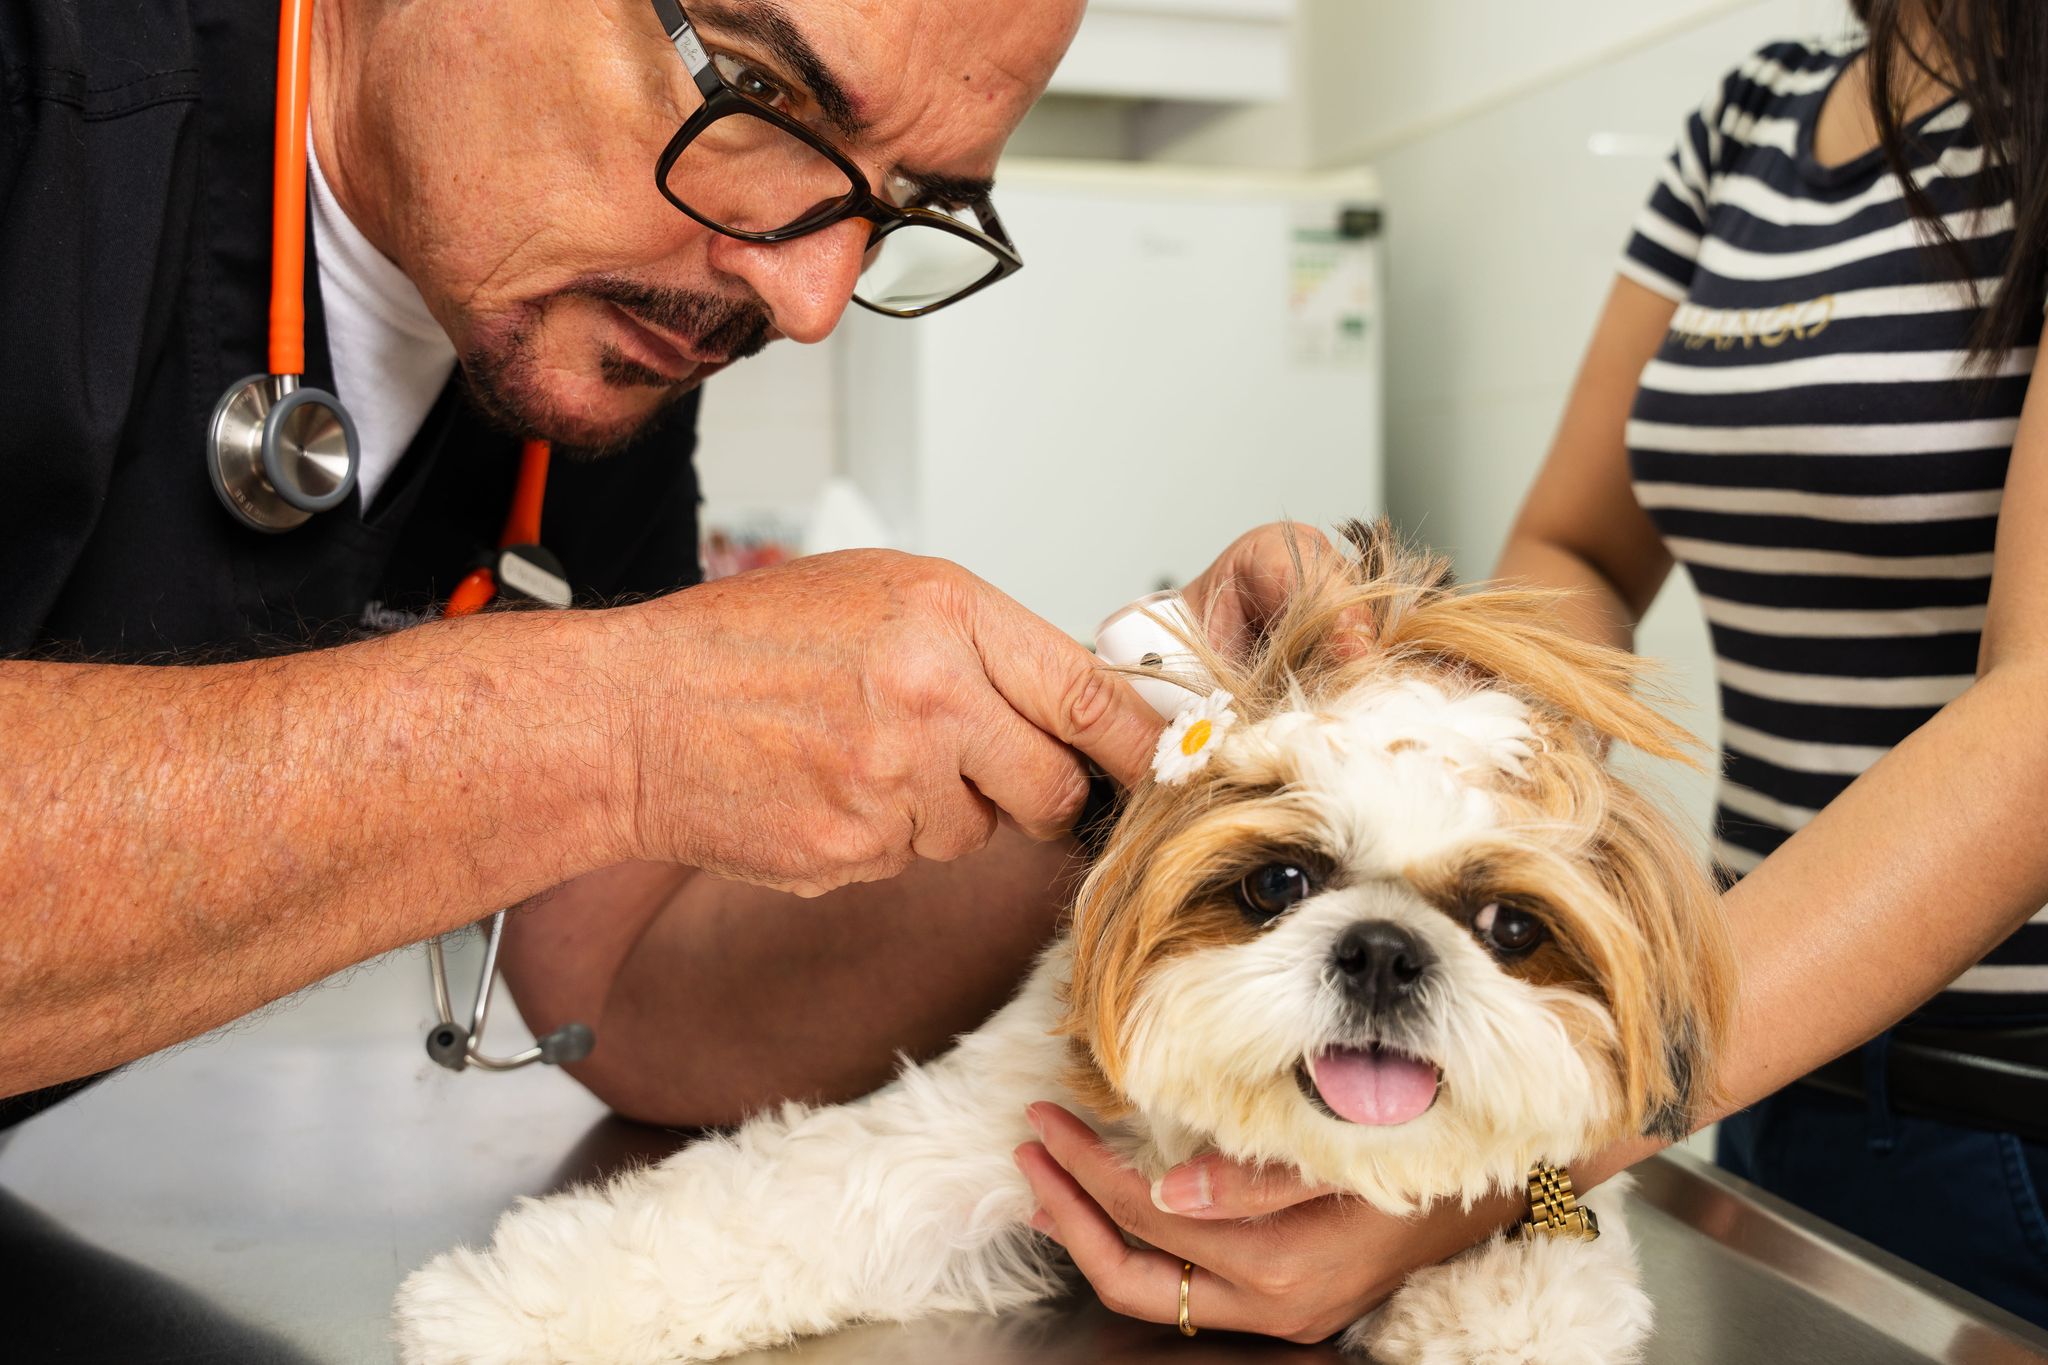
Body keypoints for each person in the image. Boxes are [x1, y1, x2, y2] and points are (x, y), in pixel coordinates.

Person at [0, 0, 1322, 1136]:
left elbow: (625, 986)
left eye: (905, 206)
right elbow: (621, 745)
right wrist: (623, 727)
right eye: (760, 93)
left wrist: (1136, 775)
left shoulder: (592, 329)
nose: (806, 301)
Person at [1001, 0, 2048, 1341]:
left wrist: (1491, 1172)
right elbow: (1580, 546)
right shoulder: (1762, 114)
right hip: (1770, 1083)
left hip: (2003, 1111)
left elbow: (2033, 732)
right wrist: (1461, 771)